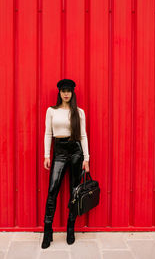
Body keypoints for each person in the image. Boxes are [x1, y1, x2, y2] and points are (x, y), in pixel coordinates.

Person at [41, 79, 90, 249]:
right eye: (63, 90)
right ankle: (48, 232)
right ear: (59, 93)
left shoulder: (79, 112)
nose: (66, 93)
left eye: (69, 90)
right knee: (52, 191)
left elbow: (83, 136)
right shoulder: (51, 111)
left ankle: (70, 229)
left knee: (74, 191)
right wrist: (47, 155)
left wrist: (86, 158)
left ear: (72, 92)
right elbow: (48, 133)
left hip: (76, 151)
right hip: (59, 151)